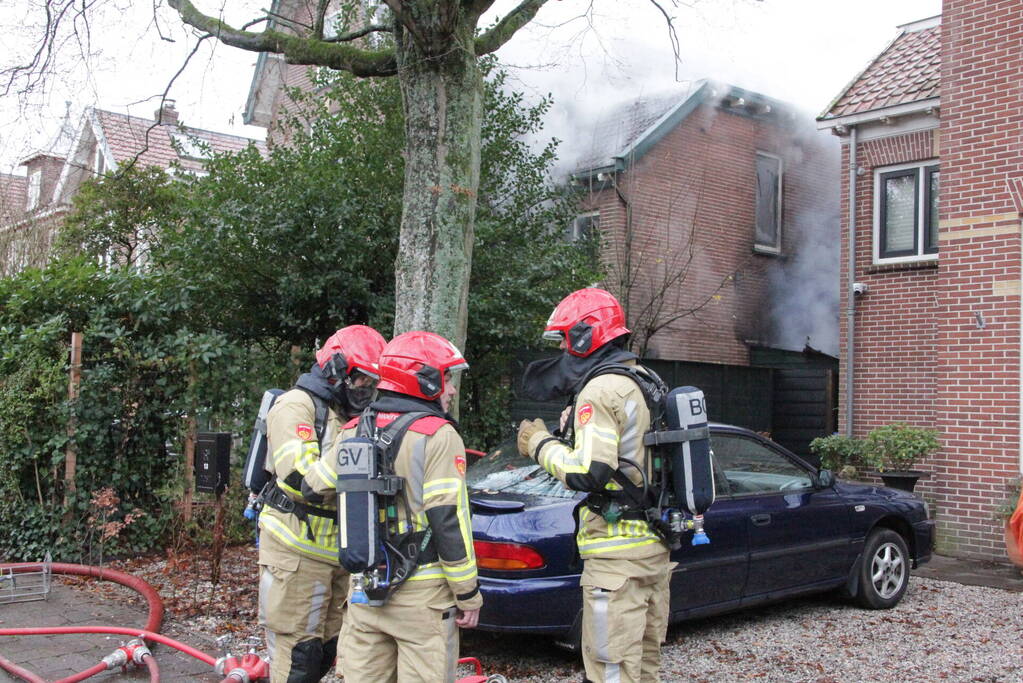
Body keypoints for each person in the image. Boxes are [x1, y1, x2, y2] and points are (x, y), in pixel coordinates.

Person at [517, 288, 673, 683]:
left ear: (585, 337)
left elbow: (589, 472)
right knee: (643, 666)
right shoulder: (643, 380)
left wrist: (539, 444)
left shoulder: (600, 389)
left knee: (610, 671)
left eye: (566, 339)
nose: (564, 351)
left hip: (615, 560)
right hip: (653, 548)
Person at [323, 330, 482, 683]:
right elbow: (448, 520)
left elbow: (312, 484)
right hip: (422, 598)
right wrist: (468, 592)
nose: (452, 390)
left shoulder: (351, 430)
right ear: (424, 381)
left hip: (365, 588)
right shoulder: (438, 435)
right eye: (447, 379)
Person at [258, 324, 387, 683]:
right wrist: (352, 441)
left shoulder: (347, 413)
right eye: (362, 379)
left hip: (338, 551)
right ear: (336, 369)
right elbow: (300, 482)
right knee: (298, 652)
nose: (368, 388)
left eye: (372, 381)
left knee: (327, 650)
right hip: (296, 551)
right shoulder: (295, 407)